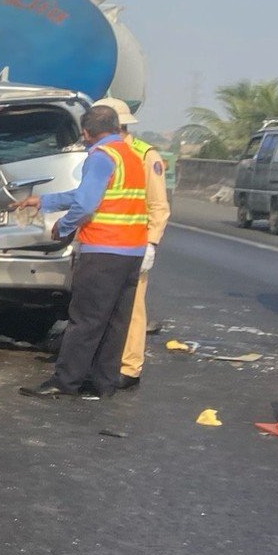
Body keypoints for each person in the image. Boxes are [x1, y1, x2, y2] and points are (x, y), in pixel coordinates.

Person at [17, 104, 147, 400]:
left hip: (104, 249)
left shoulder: (101, 157)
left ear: (87, 133)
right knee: (115, 320)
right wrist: (46, 201)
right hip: (131, 250)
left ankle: (66, 381)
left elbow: (87, 203)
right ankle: (103, 383)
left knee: (86, 319)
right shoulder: (130, 155)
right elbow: (94, 193)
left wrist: (63, 226)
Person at [112, 100, 169, 389]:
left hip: (135, 243)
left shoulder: (146, 155)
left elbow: (159, 205)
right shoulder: (99, 151)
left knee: (133, 307)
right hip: (106, 243)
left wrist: (152, 243)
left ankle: (129, 367)